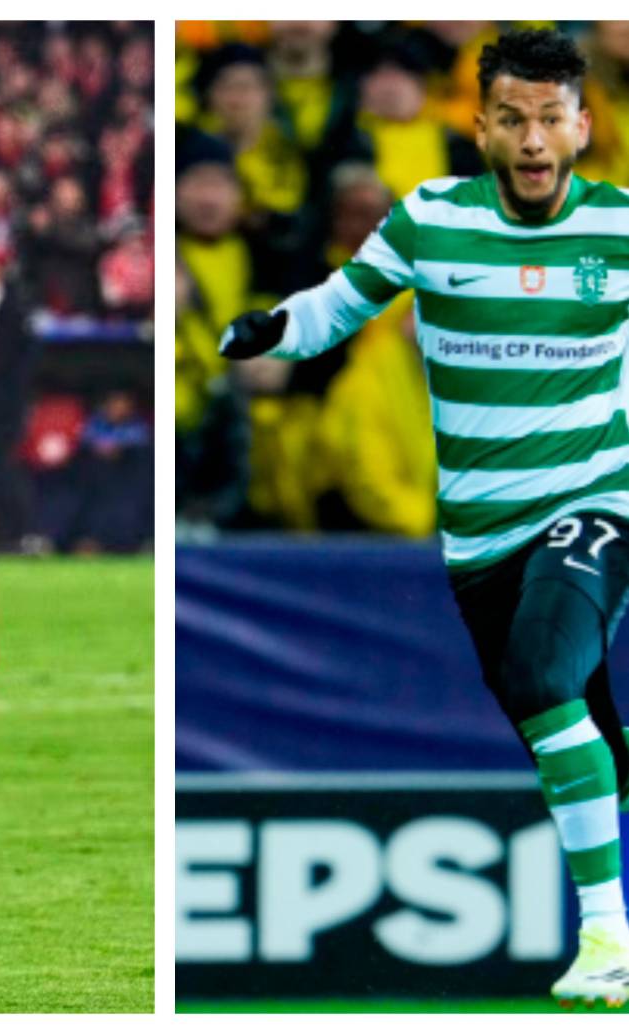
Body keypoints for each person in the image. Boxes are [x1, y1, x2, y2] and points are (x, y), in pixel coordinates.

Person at [219, 27, 629, 1008]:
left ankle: (606, 936)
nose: (531, 140)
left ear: (580, 124)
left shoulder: (616, 228)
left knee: (541, 672)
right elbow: (339, 304)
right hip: (477, 541)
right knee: (576, 731)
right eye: (511, 120)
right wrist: (273, 327)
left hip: (593, 504)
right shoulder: (431, 217)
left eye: (549, 119)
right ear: (478, 125)